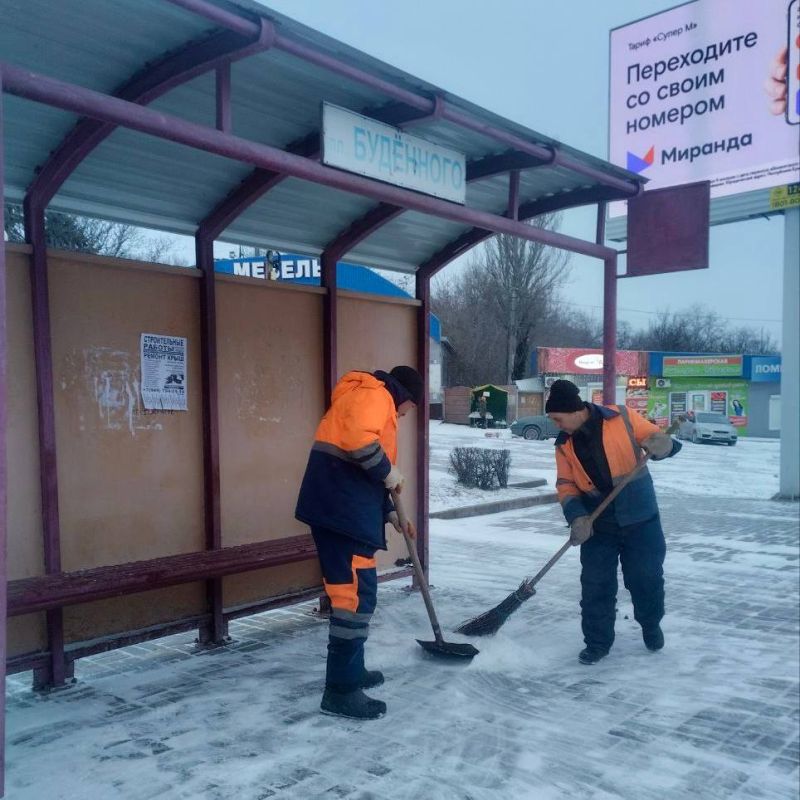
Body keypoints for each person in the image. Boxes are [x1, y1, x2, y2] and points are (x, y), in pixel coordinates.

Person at [295, 365, 423, 719]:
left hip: (345, 513)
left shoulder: (367, 397)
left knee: (357, 595)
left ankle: (353, 671)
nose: (405, 414)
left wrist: (391, 514)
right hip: (341, 516)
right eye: (410, 408)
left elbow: (365, 472)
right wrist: (389, 472)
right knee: (353, 599)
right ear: (407, 397)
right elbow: (360, 443)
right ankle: (340, 691)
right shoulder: (376, 395)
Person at [545, 379, 681, 665]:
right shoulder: (563, 445)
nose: (556, 425)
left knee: (645, 579)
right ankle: (597, 643)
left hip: (640, 519)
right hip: (599, 524)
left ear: (573, 410)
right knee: (595, 585)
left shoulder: (622, 417)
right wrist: (577, 517)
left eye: (557, 418)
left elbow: (655, 438)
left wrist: (663, 445)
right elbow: (566, 484)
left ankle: (650, 624)